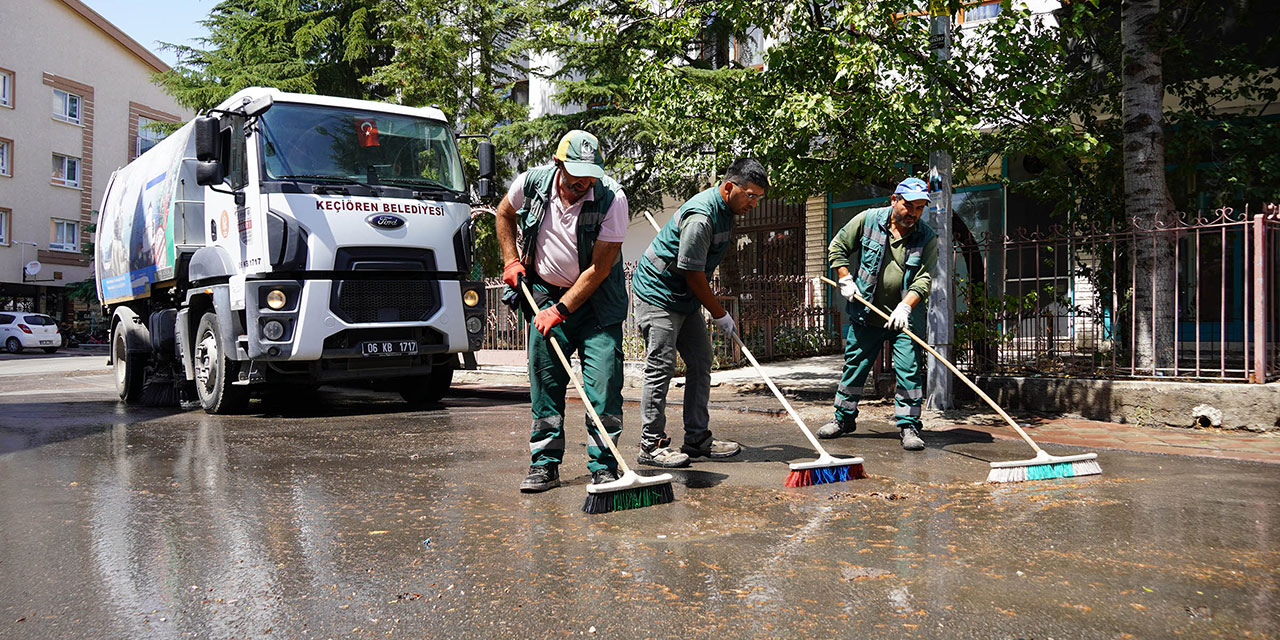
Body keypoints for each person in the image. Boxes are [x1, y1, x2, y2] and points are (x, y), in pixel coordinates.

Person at [496, 130, 631, 493]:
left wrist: (561, 309)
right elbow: (504, 214)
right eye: (575, 179)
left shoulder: (612, 199)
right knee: (546, 384)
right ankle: (544, 465)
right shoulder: (531, 183)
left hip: (597, 305)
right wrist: (511, 261)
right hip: (543, 294)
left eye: (589, 177)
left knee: (603, 385)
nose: (582, 185)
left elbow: (599, 270)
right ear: (558, 165)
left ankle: (605, 467)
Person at [631, 159, 769, 468]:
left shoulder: (729, 211)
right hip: (658, 294)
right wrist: (720, 313)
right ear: (729, 187)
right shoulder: (702, 217)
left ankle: (696, 439)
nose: (753, 203)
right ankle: (651, 445)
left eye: (758, 197)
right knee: (661, 365)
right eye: (750, 195)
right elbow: (694, 274)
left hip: (684, 296)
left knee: (701, 360)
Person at [820, 177, 939, 451]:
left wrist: (906, 305)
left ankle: (909, 426)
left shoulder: (927, 236)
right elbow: (837, 246)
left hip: (903, 317)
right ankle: (843, 419)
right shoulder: (867, 220)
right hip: (866, 313)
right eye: (909, 206)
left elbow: (924, 278)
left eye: (920, 208)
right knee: (855, 366)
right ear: (894, 200)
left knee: (909, 371)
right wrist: (845, 278)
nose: (914, 213)